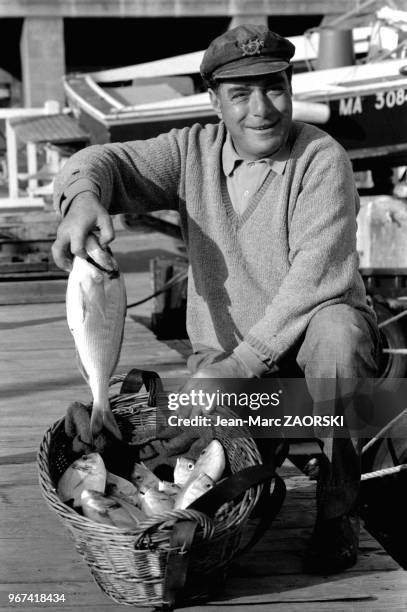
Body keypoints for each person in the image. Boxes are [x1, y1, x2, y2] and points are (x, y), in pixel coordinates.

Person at [52, 25, 380, 574]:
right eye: (239, 94)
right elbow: (98, 161)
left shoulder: (322, 159)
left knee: (339, 334)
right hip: (228, 372)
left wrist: (238, 369)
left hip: (299, 369)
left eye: (273, 88)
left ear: (291, 85)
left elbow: (315, 276)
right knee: (200, 495)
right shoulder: (189, 153)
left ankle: (337, 511)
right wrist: (82, 199)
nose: (261, 109)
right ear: (214, 102)